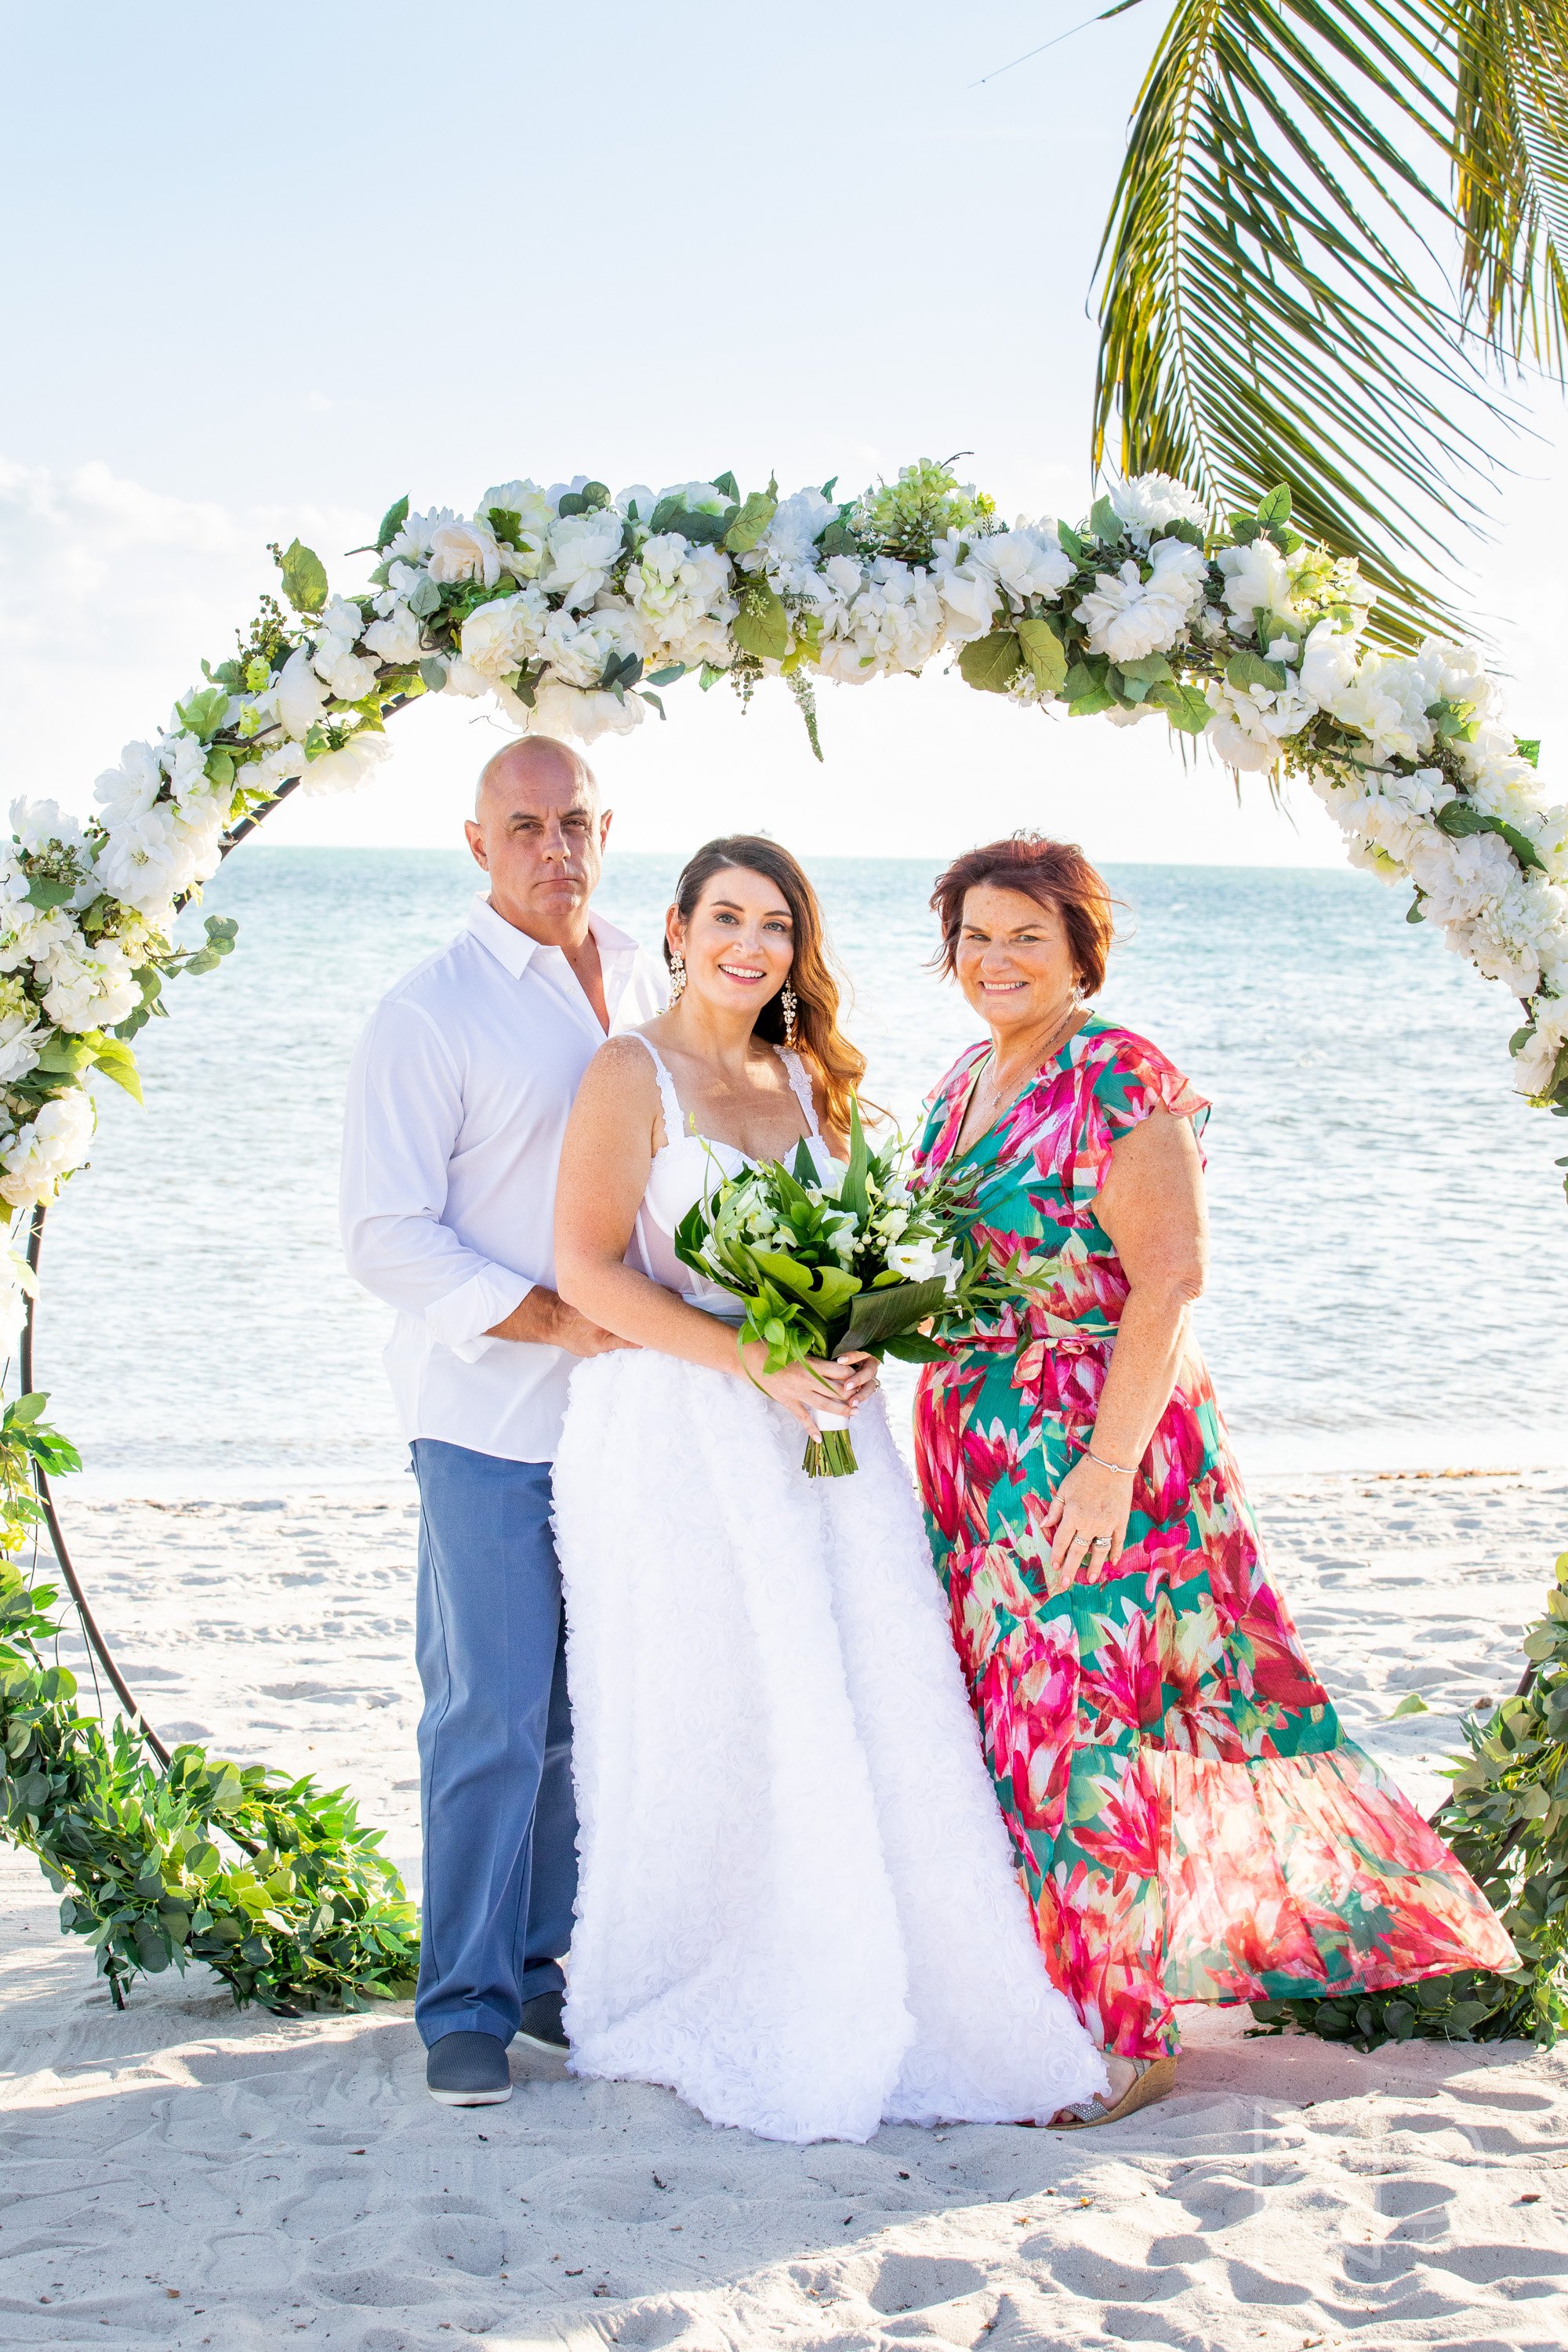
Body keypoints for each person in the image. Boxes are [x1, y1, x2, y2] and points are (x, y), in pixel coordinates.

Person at [911, 833, 1519, 2130]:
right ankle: (1051, 1998)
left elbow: (1171, 1282)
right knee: (1005, 1734)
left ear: (1082, 948)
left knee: (1077, 1735)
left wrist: (1107, 1471)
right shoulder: (960, 1080)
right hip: (974, 1456)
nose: (996, 958)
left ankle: (1129, 2045)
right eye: (975, 935)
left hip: (1093, 1446)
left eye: (1027, 934)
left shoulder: (1120, 1073)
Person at [549, 834, 1108, 2144]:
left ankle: (897, 1970)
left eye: (779, 925)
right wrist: (756, 1360)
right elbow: (587, 1270)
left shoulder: (811, 1078)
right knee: (716, 1710)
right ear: (677, 929)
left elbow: (861, 1245)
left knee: (856, 1698)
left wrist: (853, 1334)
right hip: (686, 1429)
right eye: (727, 917)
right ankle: (726, 1971)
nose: (752, 945)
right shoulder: (629, 1073)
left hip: (827, 1435)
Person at [339, 735, 666, 2107]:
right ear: (477, 843)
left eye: (577, 822)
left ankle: (547, 1970)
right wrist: (552, 1319)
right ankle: (463, 2001)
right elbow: (383, 1239)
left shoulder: (659, 977)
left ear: (608, 828)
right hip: (486, 1417)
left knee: (588, 1714)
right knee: (487, 1711)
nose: (556, 849)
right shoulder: (431, 1013)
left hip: (639, 1416)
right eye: (525, 826)